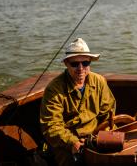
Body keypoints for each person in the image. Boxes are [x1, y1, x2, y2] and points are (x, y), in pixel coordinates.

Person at [40, 38, 116, 166]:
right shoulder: (54, 89)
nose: (81, 68)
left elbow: (108, 114)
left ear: (90, 63)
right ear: (66, 64)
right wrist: (72, 142)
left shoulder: (99, 81)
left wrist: (103, 136)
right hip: (66, 143)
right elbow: (51, 126)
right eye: (75, 64)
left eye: (85, 63)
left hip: (96, 136)